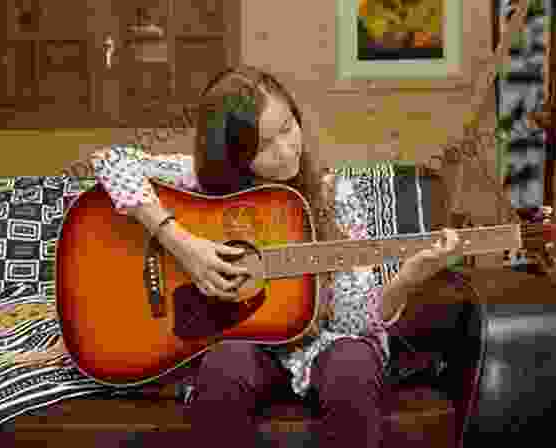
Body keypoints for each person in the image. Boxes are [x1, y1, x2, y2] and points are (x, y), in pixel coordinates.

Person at [89, 65, 460, 448]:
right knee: (224, 366)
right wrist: (184, 244)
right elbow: (110, 161)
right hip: (251, 343)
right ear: (233, 157)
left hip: (328, 342)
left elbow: (353, 321)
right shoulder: (204, 184)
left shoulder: (335, 197)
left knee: (352, 366)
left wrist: (406, 280)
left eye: (287, 128)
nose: (285, 151)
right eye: (264, 146)